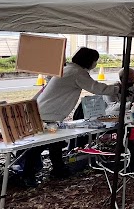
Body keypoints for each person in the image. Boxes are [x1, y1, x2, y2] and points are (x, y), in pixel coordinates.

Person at [22, 47, 119, 187]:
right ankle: (28, 176)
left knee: (55, 142)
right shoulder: (77, 72)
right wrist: (117, 88)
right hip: (47, 114)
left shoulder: (69, 69)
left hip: (45, 111)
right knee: (39, 145)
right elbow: (96, 88)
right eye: (95, 61)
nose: (95, 64)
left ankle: (58, 169)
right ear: (88, 60)